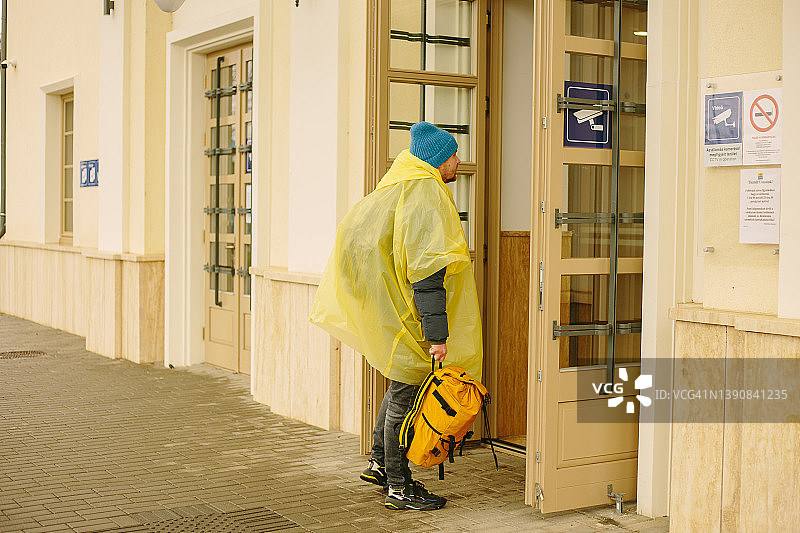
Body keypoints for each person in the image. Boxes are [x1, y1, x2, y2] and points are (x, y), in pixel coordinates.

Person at [310, 122, 483, 511]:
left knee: (399, 388)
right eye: (454, 154)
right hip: (411, 319)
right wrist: (437, 337)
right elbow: (427, 273)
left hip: (394, 314)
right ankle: (399, 487)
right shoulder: (425, 194)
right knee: (406, 400)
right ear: (438, 160)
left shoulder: (399, 186)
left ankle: (379, 463)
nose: (459, 160)